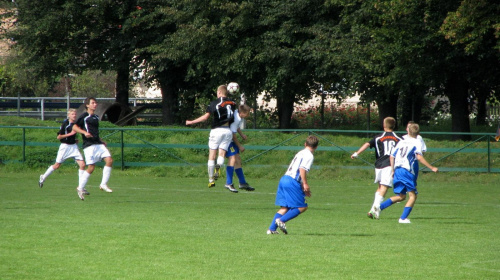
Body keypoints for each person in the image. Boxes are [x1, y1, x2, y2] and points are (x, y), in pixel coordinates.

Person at [372, 123, 438, 223]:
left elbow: (391, 156)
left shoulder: (401, 142)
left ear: (408, 131)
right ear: (418, 133)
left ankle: (378, 207)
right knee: (413, 196)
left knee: (401, 196)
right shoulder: (417, 142)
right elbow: (419, 157)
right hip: (406, 171)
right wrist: (432, 167)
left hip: (398, 170)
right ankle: (403, 218)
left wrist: (393, 170)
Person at [186, 84, 236, 188]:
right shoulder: (233, 103)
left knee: (212, 156)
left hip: (216, 131)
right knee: (221, 154)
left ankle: (211, 180)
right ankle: (219, 166)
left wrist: (191, 122)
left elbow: (205, 117)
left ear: (219, 92)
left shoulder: (214, 103)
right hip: (227, 131)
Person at [267, 135, 319, 235]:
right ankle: (281, 220)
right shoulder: (309, 155)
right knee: (302, 206)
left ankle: (271, 229)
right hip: (292, 181)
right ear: (316, 147)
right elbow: (302, 169)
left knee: (285, 207)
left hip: (284, 179)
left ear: (305, 144)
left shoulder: (301, 152)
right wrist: (305, 184)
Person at [351, 117, 402, 219]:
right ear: (394, 125)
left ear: (384, 125)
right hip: (389, 165)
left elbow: (367, 144)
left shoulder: (378, 137)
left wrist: (357, 153)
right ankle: (375, 209)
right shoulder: (399, 138)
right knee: (384, 188)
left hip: (378, 165)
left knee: (380, 187)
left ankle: (374, 211)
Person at [72, 97, 114, 200]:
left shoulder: (95, 117)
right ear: (87, 105)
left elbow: (94, 131)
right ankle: (80, 187)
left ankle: (103, 184)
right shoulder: (84, 117)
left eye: (95, 103)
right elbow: (74, 127)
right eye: (93, 103)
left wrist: (101, 140)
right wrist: (84, 133)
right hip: (89, 145)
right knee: (91, 167)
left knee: (109, 160)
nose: (95, 104)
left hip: (98, 143)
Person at [38, 109, 86, 190]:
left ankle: (81, 187)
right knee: (57, 165)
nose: (74, 115)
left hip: (73, 146)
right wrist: (70, 134)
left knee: (82, 165)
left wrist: (74, 140)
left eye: (75, 114)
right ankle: (43, 177)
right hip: (65, 147)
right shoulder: (65, 124)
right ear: (69, 115)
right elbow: (59, 137)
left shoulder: (75, 124)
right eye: (72, 114)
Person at [224, 104, 254, 193]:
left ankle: (242, 183)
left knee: (237, 159)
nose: (248, 116)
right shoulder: (236, 118)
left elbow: (236, 127)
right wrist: (240, 146)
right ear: (242, 113)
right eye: (247, 114)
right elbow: (233, 135)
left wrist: (242, 135)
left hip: (230, 140)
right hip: (227, 140)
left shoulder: (237, 115)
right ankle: (228, 183)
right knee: (232, 159)